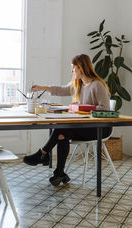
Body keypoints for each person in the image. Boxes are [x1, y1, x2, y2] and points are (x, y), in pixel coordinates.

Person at [23, 54, 111, 186]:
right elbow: (62, 90)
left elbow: (105, 109)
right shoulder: (79, 83)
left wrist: (82, 108)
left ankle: (43, 154)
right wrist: (42, 88)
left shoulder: (96, 85)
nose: (72, 71)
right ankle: (58, 172)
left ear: (81, 68)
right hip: (84, 126)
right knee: (62, 134)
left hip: (99, 127)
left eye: (73, 68)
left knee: (61, 129)